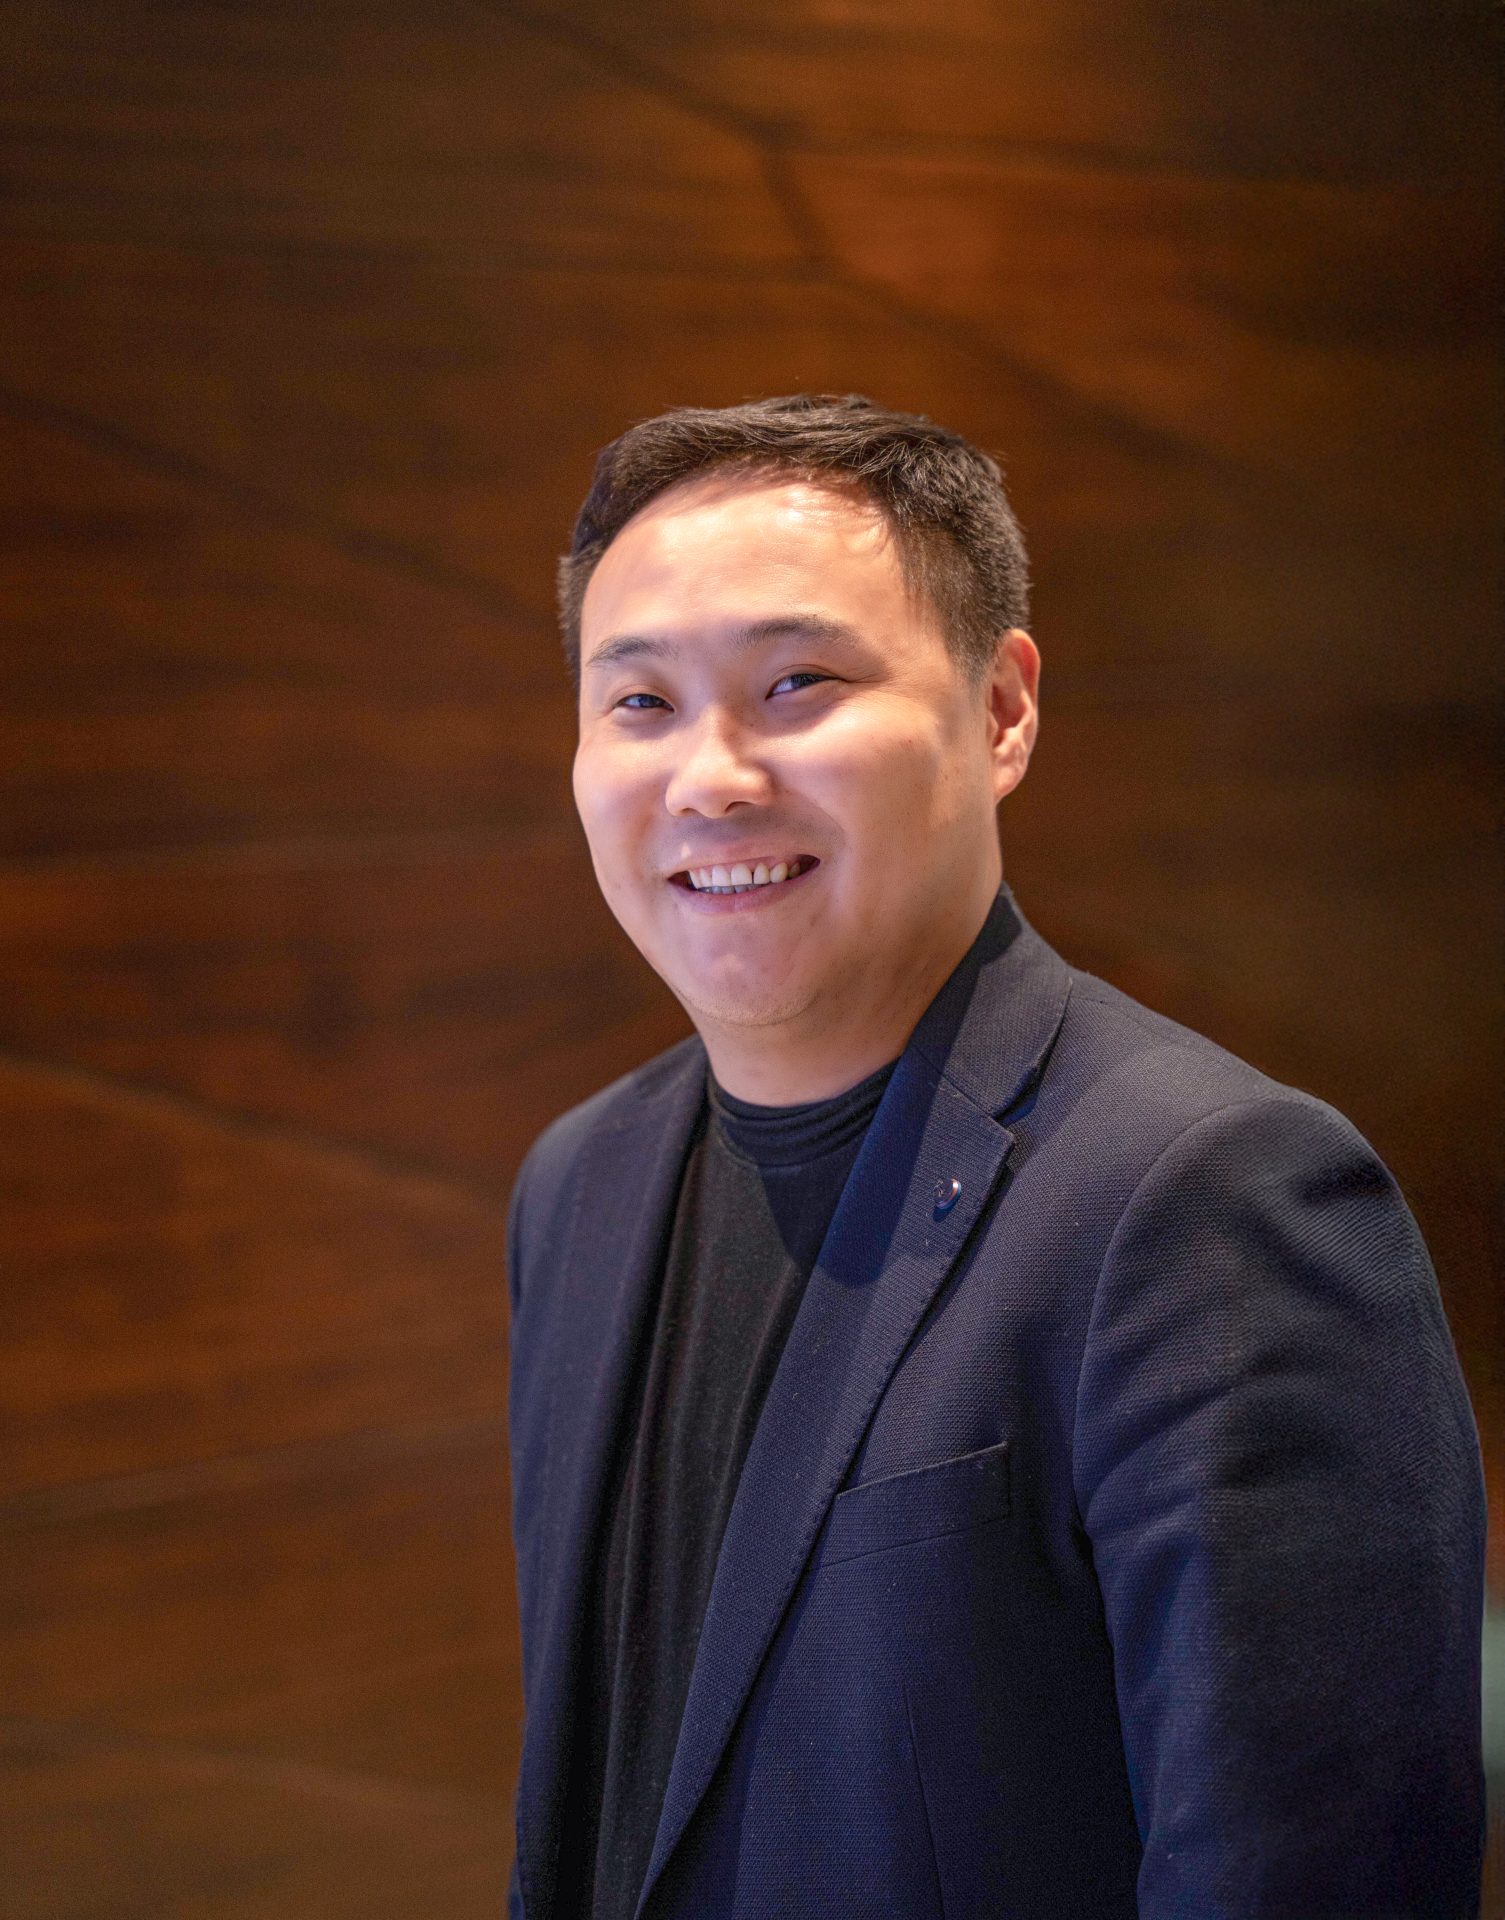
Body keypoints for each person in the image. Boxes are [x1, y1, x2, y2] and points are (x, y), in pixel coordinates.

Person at [504, 393, 1486, 1920]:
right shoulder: (579, 1184)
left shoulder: (1207, 1196)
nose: (708, 777)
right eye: (637, 704)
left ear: (1002, 709)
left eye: (795, 682)